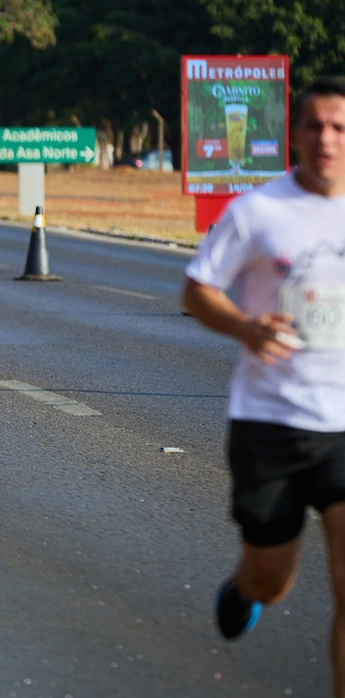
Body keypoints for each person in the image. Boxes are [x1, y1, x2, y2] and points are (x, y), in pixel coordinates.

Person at [180, 78, 345, 679]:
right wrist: (247, 327)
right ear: (295, 136)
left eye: (339, 127)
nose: (326, 138)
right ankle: (246, 589)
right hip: (270, 422)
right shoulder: (258, 212)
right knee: (274, 580)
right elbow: (197, 292)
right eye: (315, 126)